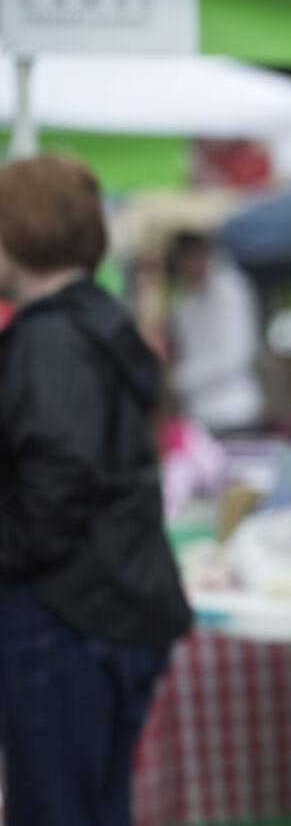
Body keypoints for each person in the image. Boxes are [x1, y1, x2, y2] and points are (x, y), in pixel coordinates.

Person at [0, 155, 192, 825]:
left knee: (56, 808)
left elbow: (63, 471)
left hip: (67, 611)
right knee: (94, 804)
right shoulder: (97, 322)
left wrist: (10, 551)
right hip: (112, 599)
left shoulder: (51, 338)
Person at [166, 230, 264, 434]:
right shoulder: (183, 301)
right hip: (198, 416)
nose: (191, 266)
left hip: (235, 413)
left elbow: (237, 355)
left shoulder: (231, 290)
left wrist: (179, 381)